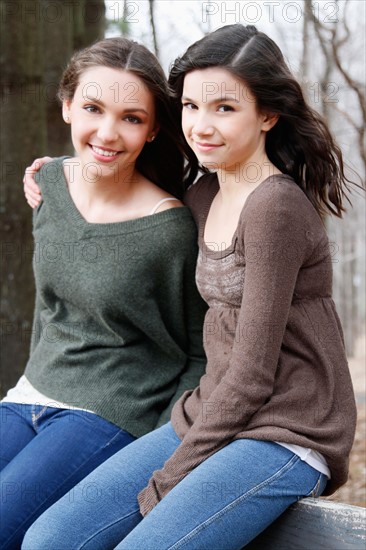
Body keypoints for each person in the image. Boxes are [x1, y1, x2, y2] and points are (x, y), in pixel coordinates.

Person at [22, 24, 357, 550]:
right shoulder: (203, 191)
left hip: (286, 430)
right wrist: (54, 177)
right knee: (50, 539)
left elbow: (251, 374)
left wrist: (173, 473)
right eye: (191, 106)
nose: (202, 125)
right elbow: (124, 191)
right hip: (208, 411)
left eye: (225, 108)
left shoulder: (275, 208)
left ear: (267, 115)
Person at [0, 37, 207, 549]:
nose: (108, 133)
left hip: (111, 413)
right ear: (67, 105)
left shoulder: (170, 229)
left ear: (154, 127)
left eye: (132, 118)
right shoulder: (47, 183)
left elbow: (200, 350)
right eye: (93, 108)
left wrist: (160, 446)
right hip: (29, 394)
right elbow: (55, 307)